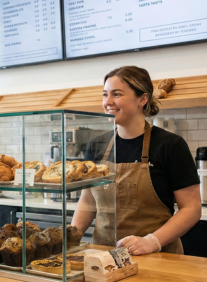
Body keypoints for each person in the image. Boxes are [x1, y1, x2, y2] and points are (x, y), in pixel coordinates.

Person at [72, 66, 201, 255]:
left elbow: (191, 208)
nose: (107, 102)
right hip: (103, 256)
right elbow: (87, 202)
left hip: (157, 256)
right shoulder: (97, 145)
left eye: (116, 94)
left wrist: (151, 241)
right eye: (105, 94)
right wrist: (69, 239)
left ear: (142, 99)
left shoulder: (170, 145)